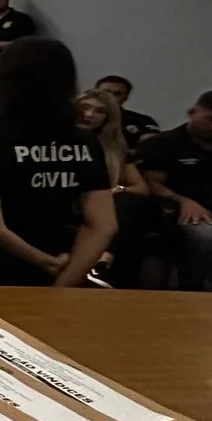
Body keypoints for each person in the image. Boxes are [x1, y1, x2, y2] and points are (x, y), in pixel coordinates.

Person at [0, 38, 115, 287]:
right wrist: (65, 283)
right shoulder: (84, 141)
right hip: (50, 264)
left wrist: (45, 262)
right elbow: (103, 225)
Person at [136, 90, 212, 292]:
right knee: (207, 236)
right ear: (192, 112)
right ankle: (194, 286)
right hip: (182, 210)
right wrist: (183, 200)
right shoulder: (162, 143)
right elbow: (151, 184)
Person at [78, 88, 152, 287]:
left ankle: (102, 264)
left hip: (104, 205)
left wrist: (117, 189)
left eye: (100, 111)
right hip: (70, 200)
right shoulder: (56, 141)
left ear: (107, 118)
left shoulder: (115, 148)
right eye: (85, 107)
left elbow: (141, 188)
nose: (89, 115)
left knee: (132, 202)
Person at [96, 75, 160, 150]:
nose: (110, 97)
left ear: (125, 98)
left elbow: (153, 147)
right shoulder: (83, 117)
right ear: (94, 94)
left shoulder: (142, 120)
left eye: (117, 94)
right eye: (105, 92)